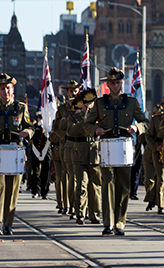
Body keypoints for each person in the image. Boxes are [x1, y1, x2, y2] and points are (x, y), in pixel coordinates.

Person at [84, 67, 148, 236]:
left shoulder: (132, 102)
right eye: (113, 83)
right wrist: (95, 130)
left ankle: (120, 222)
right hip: (106, 148)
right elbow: (87, 124)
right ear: (108, 84)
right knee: (107, 185)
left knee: (124, 187)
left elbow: (145, 122)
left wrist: (136, 127)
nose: (116, 86)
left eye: (118, 82)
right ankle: (107, 223)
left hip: (125, 149)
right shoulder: (99, 103)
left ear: (122, 83)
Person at [0, 73, 35, 235]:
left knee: (12, 189)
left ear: (12, 89)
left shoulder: (21, 108)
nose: (5, 91)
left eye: (8, 88)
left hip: (15, 152)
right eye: (2, 88)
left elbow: (31, 127)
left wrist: (26, 132)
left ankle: (8, 223)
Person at [68, 89, 101, 225]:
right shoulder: (75, 118)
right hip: (79, 153)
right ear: (82, 103)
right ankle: (80, 214)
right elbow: (71, 131)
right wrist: (85, 122)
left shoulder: (99, 118)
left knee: (95, 186)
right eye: (87, 103)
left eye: (92, 103)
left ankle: (94, 214)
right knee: (81, 184)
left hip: (94, 154)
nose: (90, 106)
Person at [50, 80, 80, 215]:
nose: (73, 93)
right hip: (64, 145)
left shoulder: (82, 107)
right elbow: (55, 128)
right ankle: (63, 203)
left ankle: (74, 205)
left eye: (75, 90)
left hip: (78, 146)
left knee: (74, 177)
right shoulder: (62, 109)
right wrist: (65, 134)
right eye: (71, 91)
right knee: (62, 177)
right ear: (67, 92)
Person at [29, 112, 52, 200]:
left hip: (46, 151)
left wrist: (47, 129)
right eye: (39, 117)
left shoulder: (49, 127)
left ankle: (44, 192)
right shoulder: (34, 126)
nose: (41, 119)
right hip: (36, 151)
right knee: (35, 172)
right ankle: (35, 191)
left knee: (46, 172)